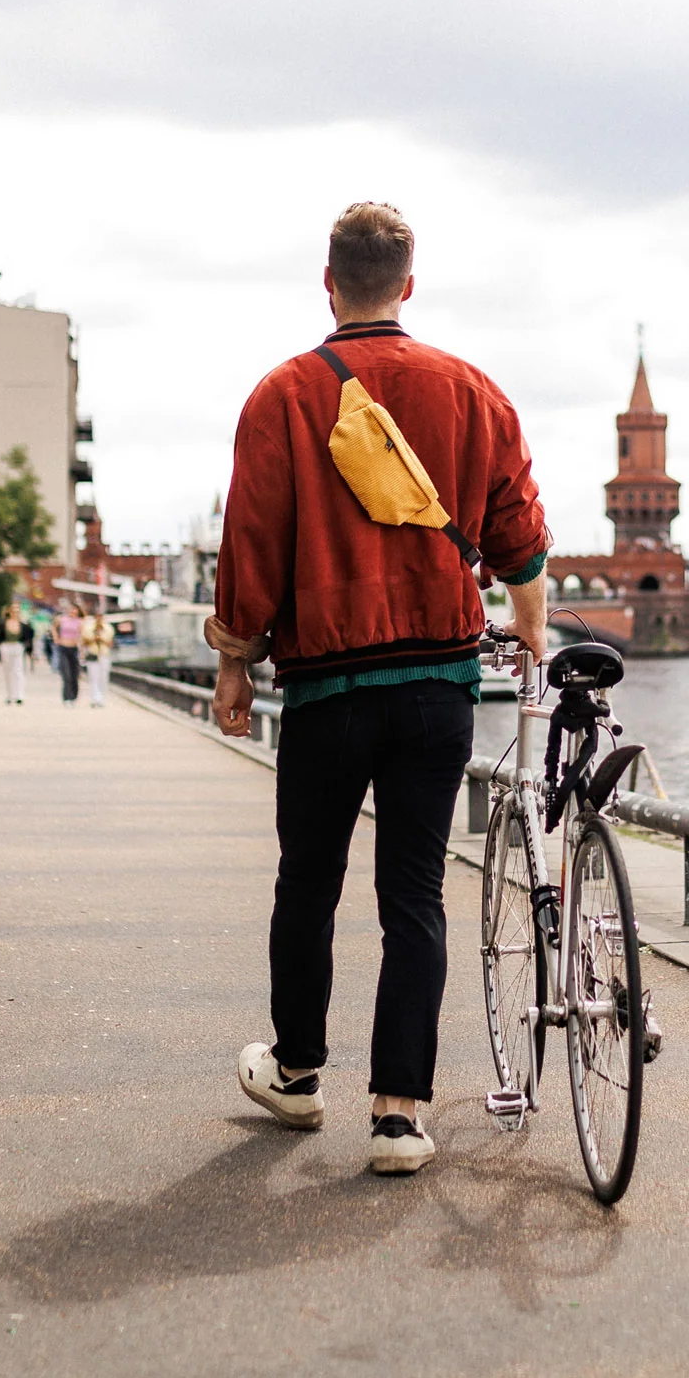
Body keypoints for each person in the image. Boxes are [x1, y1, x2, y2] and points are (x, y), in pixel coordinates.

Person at [211, 201, 550, 1177]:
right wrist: (524, 630)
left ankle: (297, 1072)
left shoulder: (279, 396)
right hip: (436, 686)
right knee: (414, 896)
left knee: (306, 883)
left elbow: (251, 543)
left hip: (323, 688)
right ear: (408, 282)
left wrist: (235, 661)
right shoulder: (470, 389)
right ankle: (399, 1113)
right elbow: (518, 533)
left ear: (328, 283)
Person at [54, 601, 83, 707]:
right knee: (66, 674)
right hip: (63, 648)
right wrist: (56, 638)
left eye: (75, 609)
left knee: (74, 674)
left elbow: (82, 636)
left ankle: (74, 695)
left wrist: (82, 650)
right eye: (71, 609)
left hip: (74, 649)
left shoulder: (80, 622)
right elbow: (53, 628)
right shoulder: (61, 619)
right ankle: (67, 697)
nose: (73, 611)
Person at [81, 608, 112, 707]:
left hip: (104, 654)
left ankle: (101, 698)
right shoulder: (88, 628)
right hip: (92, 654)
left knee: (103, 677)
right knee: (93, 678)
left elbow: (110, 643)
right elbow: (85, 642)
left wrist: (101, 638)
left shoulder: (108, 628)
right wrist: (94, 637)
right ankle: (95, 699)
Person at [0, 603, 27, 705]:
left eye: (17, 610)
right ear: (9, 611)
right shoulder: (4, 623)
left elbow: (28, 635)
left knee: (18, 671)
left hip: (18, 647)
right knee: (8, 672)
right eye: (13, 610)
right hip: (6, 647)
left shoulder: (22, 624)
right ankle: (9, 695)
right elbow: (0, 637)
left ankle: (19, 695)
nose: (15, 612)